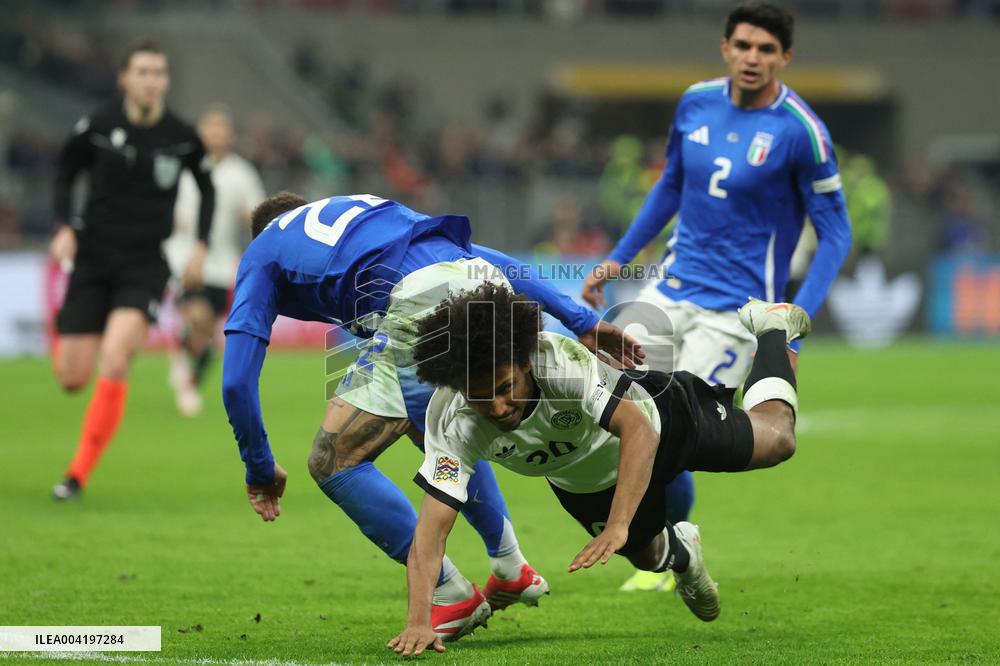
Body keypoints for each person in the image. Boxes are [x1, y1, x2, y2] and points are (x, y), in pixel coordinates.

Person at [221, 192, 643, 641]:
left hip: (416, 304)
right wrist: (581, 319)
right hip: (478, 284)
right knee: (435, 429)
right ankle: (509, 564)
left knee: (334, 460)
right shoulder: (364, 212)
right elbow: (491, 258)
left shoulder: (263, 250)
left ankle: (451, 591)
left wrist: (259, 466)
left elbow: (235, 382)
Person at [581, 1, 851, 593]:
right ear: (726, 47)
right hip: (671, 287)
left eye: (766, 50)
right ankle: (668, 542)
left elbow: (836, 231)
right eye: (744, 46)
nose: (753, 58)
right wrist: (619, 256)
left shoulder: (800, 131)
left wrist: (793, 318)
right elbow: (671, 185)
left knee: (670, 426)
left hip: (736, 311)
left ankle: (667, 543)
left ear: (784, 57)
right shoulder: (696, 102)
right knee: (613, 410)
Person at [388, 284, 809, 657]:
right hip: (586, 484)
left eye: (504, 387)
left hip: (662, 420)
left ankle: (772, 328)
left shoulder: (557, 359)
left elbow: (638, 429)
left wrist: (619, 523)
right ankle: (684, 551)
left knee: (779, 440)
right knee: (648, 557)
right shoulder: (451, 419)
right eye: (482, 398)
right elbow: (431, 529)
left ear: (525, 364)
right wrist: (419, 619)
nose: (497, 408)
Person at [50, 40, 215, 500]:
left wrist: (200, 245)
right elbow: (65, 174)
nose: (151, 80)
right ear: (124, 78)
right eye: (142, 71)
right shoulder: (98, 125)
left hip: (144, 264)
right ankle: (66, 324)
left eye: (158, 72)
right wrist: (64, 226)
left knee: (117, 358)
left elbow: (207, 188)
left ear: (166, 80)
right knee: (71, 379)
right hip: (92, 258)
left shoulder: (181, 135)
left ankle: (76, 475)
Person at [164, 104, 265, 416]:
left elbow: (256, 212)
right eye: (210, 128)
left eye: (221, 129)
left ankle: (188, 372)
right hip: (183, 257)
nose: (215, 135)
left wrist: (251, 219)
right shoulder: (182, 166)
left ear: (230, 136)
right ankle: (186, 378)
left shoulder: (241, 173)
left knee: (208, 332)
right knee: (197, 317)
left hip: (221, 263)